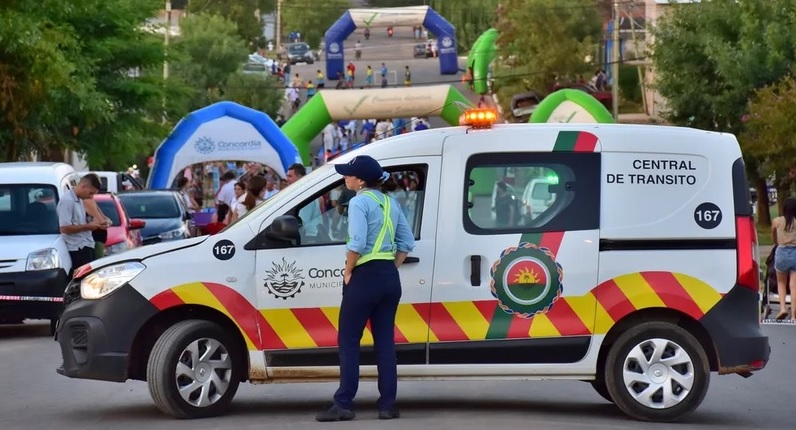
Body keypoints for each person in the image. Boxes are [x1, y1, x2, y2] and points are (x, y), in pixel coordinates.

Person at [315, 155, 414, 422]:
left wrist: (348, 271)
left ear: (360, 181)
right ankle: (387, 405)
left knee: (349, 340)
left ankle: (344, 403)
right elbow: (406, 242)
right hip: (388, 278)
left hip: (364, 276)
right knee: (385, 342)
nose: (344, 178)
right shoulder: (391, 203)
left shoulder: (359, 202)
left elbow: (357, 243)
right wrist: (391, 267)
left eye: (348, 175)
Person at [57, 174, 106, 276]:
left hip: (86, 244)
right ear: (83, 186)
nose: (91, 196)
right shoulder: (67, 200)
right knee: (84, 279)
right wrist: (88, 227)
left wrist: (94, 223)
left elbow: (78, 221)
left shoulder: (79, 199)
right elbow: (64, 228)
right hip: (77, 248)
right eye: (90, 193)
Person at [772, 197, 796, 320]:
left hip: (781, 252)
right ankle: (793, 315)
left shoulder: (777, 221)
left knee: (781, 283)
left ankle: (782, 308)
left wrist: (777, 242)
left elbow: (774, 237)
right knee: (794, 286)